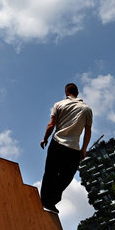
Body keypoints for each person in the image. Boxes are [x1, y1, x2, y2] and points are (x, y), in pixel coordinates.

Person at [40, 83, 92, 214]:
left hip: (57, 143)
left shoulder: (59, 104)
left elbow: (51, 125)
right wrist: (84, 149)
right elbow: (88, 132)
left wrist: (45, 138)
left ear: (66, 92)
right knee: (66, 177)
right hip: (73, 149)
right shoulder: (87, 109)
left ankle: (46, 200)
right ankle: (51, 201)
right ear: (77, 93)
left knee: (50, 172)